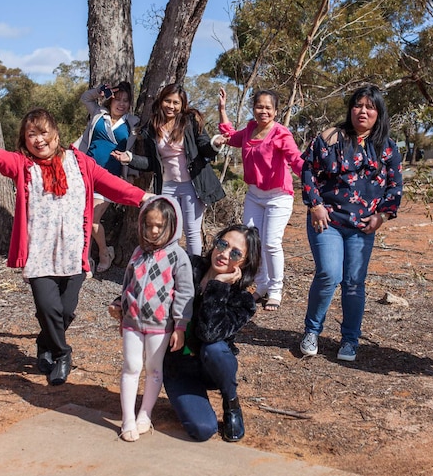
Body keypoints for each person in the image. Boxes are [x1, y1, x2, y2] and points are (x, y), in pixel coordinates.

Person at [0, 108, 149, 386]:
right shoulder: (24, 165)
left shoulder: (81, 163)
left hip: (73, 254)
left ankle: (44, 342)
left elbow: (112, 185)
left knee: (66, 311)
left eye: (43, 132)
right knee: (48, 308)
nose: (38, 139)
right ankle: (62, 354)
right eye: (31, 134)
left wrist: (144, 198)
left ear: (56, 134)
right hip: (40, 255)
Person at [299, 85, 403, 362]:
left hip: (362, 226)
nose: (363, 111)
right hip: (327, 220)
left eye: (370, 107)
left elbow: (395, 188)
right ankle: (312, 331)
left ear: (378, 113)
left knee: (354, 282)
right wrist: (316, 205)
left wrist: (382, 216)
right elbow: (307, 169)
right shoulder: (330, 138)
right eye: (358, 105)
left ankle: (350, 340)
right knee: (329, 274)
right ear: (350, 109)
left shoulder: (388, 148)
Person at [162, 224, 261, 442]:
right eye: (222, 244)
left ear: (244, 263)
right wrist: (122, 301)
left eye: (235, 253)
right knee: (203, 430)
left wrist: (218, 285)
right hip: (177, 366)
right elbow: (152, 281)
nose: (224, 254)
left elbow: (209, 333)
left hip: (211, 368)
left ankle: (231, 402)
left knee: (215, 348)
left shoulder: (242, 302)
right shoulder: (189, 265)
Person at [108, 195, 194, 442]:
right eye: (149, 225)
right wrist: (119, 306)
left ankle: (145, 414)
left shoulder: (178, 256)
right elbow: (128, 285)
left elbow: (185, 293)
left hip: (161, 326)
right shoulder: (137, 252)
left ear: (172, 226)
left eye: (160, 226)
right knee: (131, 367)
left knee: (154, 370)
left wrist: (180, 325)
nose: (154, 231)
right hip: (132, 322)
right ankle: (127, 419)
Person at [112, 83, 226, 256]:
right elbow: (152, 163)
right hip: (167, 186)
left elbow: (204, 147)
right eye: (167, 101)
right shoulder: (153, 125)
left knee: (192, 231)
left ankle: (192, 273)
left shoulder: (190, 122)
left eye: (176, 103)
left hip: (193, 185)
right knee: (168, 230)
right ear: (161, 101)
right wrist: (130, 159)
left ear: (182, 105)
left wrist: (215, 143)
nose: (171, 106)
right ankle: (168, 269)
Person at [218, 88, 304, 310]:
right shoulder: (248, 130)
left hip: (278, 196)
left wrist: (314, 176)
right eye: (259, 106)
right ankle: (261, 285)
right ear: (253, 108)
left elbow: (296, 160)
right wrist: (222, 109)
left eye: (268, 107)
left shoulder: (281, 133)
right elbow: (230, 137)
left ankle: (275, 289)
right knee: (253, 243)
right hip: (254, 195)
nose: (263, 111)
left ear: (275, 111)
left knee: (271, 243)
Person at [77, 81, 138, 273]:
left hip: (110, 177)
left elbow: (133, 150)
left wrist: (132, 175)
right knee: (81, 218)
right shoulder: (98, 114)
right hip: (86, 173)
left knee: (92, 218)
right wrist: (100, 92)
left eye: (126, 101)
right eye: (117, 99)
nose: (121, 104)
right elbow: (85, 98)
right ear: (110, 101)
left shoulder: (132, 123)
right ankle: (85, 259)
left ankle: (104, 252)